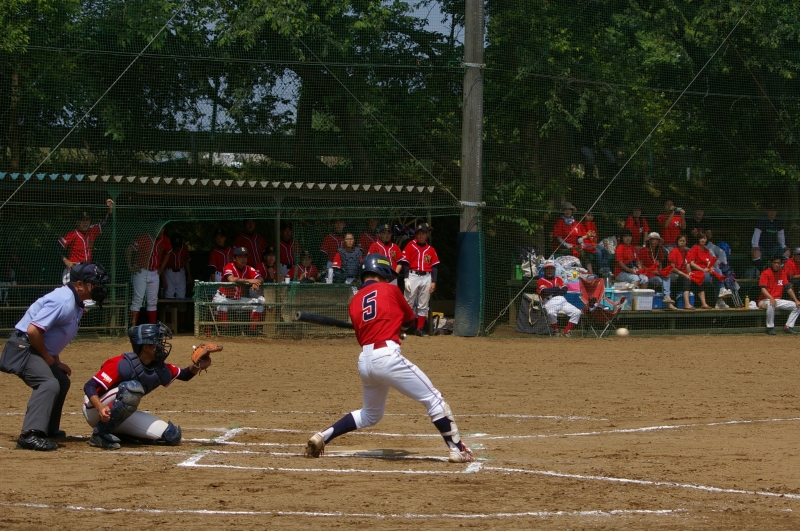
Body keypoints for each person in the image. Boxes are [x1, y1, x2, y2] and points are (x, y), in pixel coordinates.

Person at [303, 254, 474, 463]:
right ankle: (457, 449)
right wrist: (401, 329)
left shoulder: (354, 301)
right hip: (386, 356)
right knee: (434, 399)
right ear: (381, 272)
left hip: (365, 361)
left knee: (370, 414)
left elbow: (366, 332)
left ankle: (323, 436)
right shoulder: (390, 289)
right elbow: (410, 320)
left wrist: (394, 329)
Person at [0, 263, 109, 451]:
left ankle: (47, 428)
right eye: (95, 284)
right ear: (79, 285)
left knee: (61, 381)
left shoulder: (74, 302)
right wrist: (48, 359)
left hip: (32, 348)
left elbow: (53, 335)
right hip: (22, 348)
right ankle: (30, 435)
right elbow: (33, 331)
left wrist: (56, 361)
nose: (99, 288)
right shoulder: (63, 301)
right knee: (48, 383)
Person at [81, 323, 211, 449]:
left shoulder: (159, 368)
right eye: (157, 342)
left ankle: (120, 433)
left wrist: (198, 365)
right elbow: (89, 386)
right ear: (146, 347)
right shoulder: (121, 364)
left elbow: (184, 375)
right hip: (95, 409)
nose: (161, 346)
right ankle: (99, 434)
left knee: (171, 436)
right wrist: (100, 407)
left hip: (118, 414)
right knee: (131, 389)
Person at [57, 199, 114, 285]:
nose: (85, 223)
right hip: (74, 268)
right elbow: (57, 245)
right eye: (83, 220)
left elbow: (106, 223)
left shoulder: (92, 231)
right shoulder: (73, 234)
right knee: (70, 291)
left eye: (87, 220)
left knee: (86, 292)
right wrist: (66, 260)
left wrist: (110, 208)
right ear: (78, 222)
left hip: (87, 268)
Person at [398, 222, 439, 336]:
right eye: (419, 233)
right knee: (408, 302)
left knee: (423, 304)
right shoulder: (410, 245)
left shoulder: (431, 249)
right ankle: (406, 327)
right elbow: (406, 263)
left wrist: (434, 281)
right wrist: (406, 279)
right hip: (413, 275)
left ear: (427, 235)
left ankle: (419, 328)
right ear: (416, 234)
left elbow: (434, 267)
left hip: (426, 276)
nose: (421, 236)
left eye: (424, 233)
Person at [127, 227, 171, 326]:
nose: (161, 230)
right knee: (137, 301)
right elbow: (129, 249)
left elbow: (168, 252)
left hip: (155, 272)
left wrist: (162, 267)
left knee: (152, 302)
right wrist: (130, 266)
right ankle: (133, 328)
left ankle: (152, 327)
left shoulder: (165, 239)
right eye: (159, 228)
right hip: (141, 271)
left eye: (163, 228)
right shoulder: (144, 238)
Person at [212, 247, 264, 328]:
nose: (243, 259)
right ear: (234, 258)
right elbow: (231, 279)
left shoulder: (249, 268)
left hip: (238, 300)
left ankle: (253, 330)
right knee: (223, 305)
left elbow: (261, 278)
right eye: (240, 257)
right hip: (223, 298)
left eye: (245, 257)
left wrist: (257, 283)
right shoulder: (229, 266)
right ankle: (223, 330)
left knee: (259, 302)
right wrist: (249, 280)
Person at [536, 260, 581, 337]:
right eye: (548, 269)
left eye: (551, 269)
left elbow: (564, 290)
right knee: (551, 313)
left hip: (562, 300)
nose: (550, 271)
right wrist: (557, 288)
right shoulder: (540, 281)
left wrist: (553, 291)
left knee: (577, 312)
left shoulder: (558, 279)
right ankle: (556, 330)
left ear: (554, 270)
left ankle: (566, 332)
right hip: (549, 301)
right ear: (544, 270)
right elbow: (544, 292)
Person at [758, 255, 800, 335]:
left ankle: (788, 326)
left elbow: (788, 288)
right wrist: (771, 298)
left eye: (778, 263)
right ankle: (770, 328)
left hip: (777, 300)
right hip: (764, 300)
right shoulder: (765, 273)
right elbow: (763, 289)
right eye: (775, 263)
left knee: (797, 306)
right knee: (771, 304)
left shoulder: (782, 273)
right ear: (771, 263)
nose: (777, 265)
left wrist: (796, 300)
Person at [687, 233, 730, 309]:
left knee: (718, 271)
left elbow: (709, 263)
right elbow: (691, 263)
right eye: (701, 238)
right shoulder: (695, 248)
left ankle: (721, 293)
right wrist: (703, 270)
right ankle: (719, 301)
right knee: (716, 279)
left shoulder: (707, 250)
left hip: (706, 271)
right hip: (697, 272)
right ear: (698, 239)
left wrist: (711, 268)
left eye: (704, 238)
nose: (703, 240)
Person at [162, 234, 192, 332]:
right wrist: (163, 281)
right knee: (169, 297)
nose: (177, 247)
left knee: (181, 298)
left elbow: (187, 261)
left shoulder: (184, 248)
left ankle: (181, 324)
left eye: (178, 245)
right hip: (169, 272)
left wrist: (189, 275)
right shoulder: (167, 248)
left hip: (181, 272)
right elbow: (161, 265)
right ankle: (168, 324)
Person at [552, 201, 593, 272]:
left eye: (569, 209)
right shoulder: (560, 222)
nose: (567, 211)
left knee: (584, 251)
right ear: (563, 211)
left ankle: (590, 272)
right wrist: (567, 245)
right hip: (562, 247)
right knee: (580, 252)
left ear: (572, 211)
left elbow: (579, 237)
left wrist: (582, 243)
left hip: (574, 246)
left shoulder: (576, 223)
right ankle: (581, 271)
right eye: (565, 209)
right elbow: (558, 237)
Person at [639, 232, 676, 309]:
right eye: (653, 239)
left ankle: (667, 298)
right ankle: (668, 301)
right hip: (647, 274)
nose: (655, 241)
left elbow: (660, 264)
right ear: (649, 241)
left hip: (656, 273)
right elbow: (641, 266)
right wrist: (652, 271)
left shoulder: (659, 251)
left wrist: (660, 271)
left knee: (667, 276)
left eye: (656, 240)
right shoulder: (644, 250)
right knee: (659, 280)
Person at [752, 205, 789, 271]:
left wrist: (783, 246)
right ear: (767, 211)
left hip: (773, 247)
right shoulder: (762, 221)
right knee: (755, 253)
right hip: (761, 246)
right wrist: (755, 245)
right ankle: (762, 271)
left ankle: (779, 270)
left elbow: (780, 235)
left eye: (774, 211)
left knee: (787, 252)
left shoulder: (778, 222)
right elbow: (757, 233)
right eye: (770, 210)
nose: (772, 212)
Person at [668, 234, 694, 309]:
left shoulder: (687, 252)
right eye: (680, 241)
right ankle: (687, 304)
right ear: (677, 242)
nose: (682, 242)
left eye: (684, 241)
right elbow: (672, 268)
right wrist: (685, 275)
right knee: (686, 279)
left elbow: (688, 266)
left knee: (695, 278)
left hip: (683, 274)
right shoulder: (674, 252)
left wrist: (690, 273)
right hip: (674, 274)